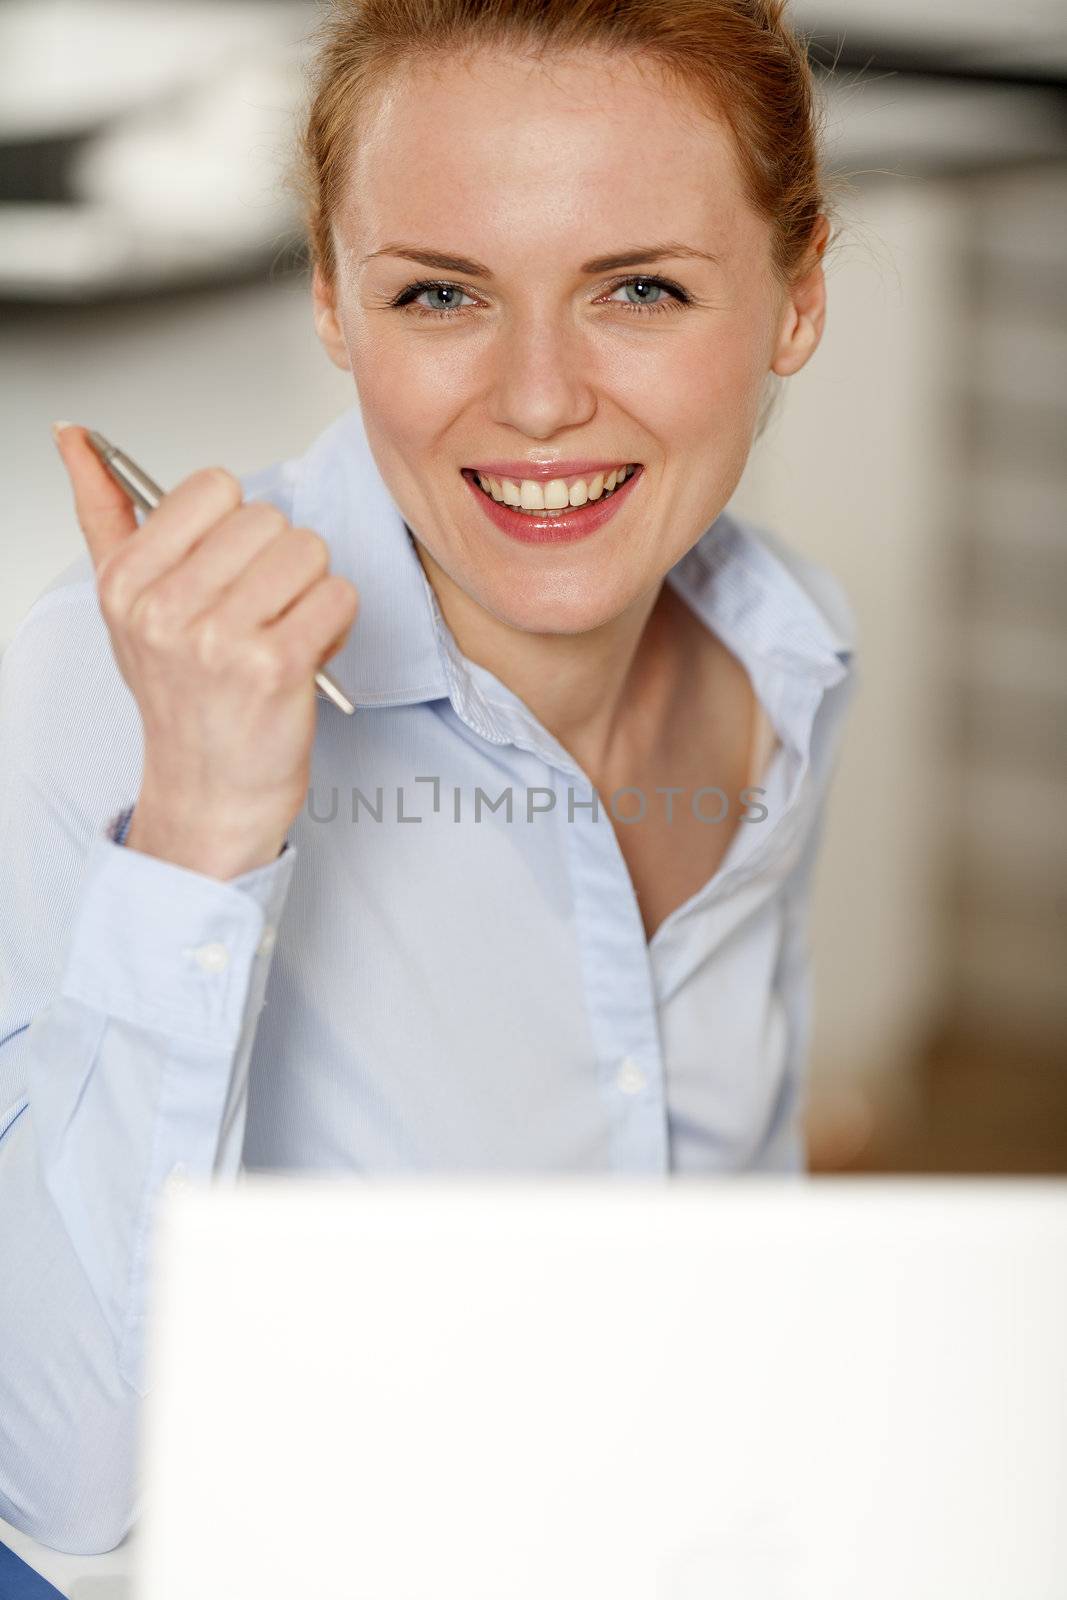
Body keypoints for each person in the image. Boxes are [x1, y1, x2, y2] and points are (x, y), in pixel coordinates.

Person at [0, 0, 858, 1555]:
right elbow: (55, 1486)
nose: (537, 400)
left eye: (642, 289)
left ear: (799, 296)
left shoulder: (788, 651)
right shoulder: (115, 688)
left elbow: (739, 1216)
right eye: (444, 294)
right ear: (334, 299)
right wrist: (199, 832)